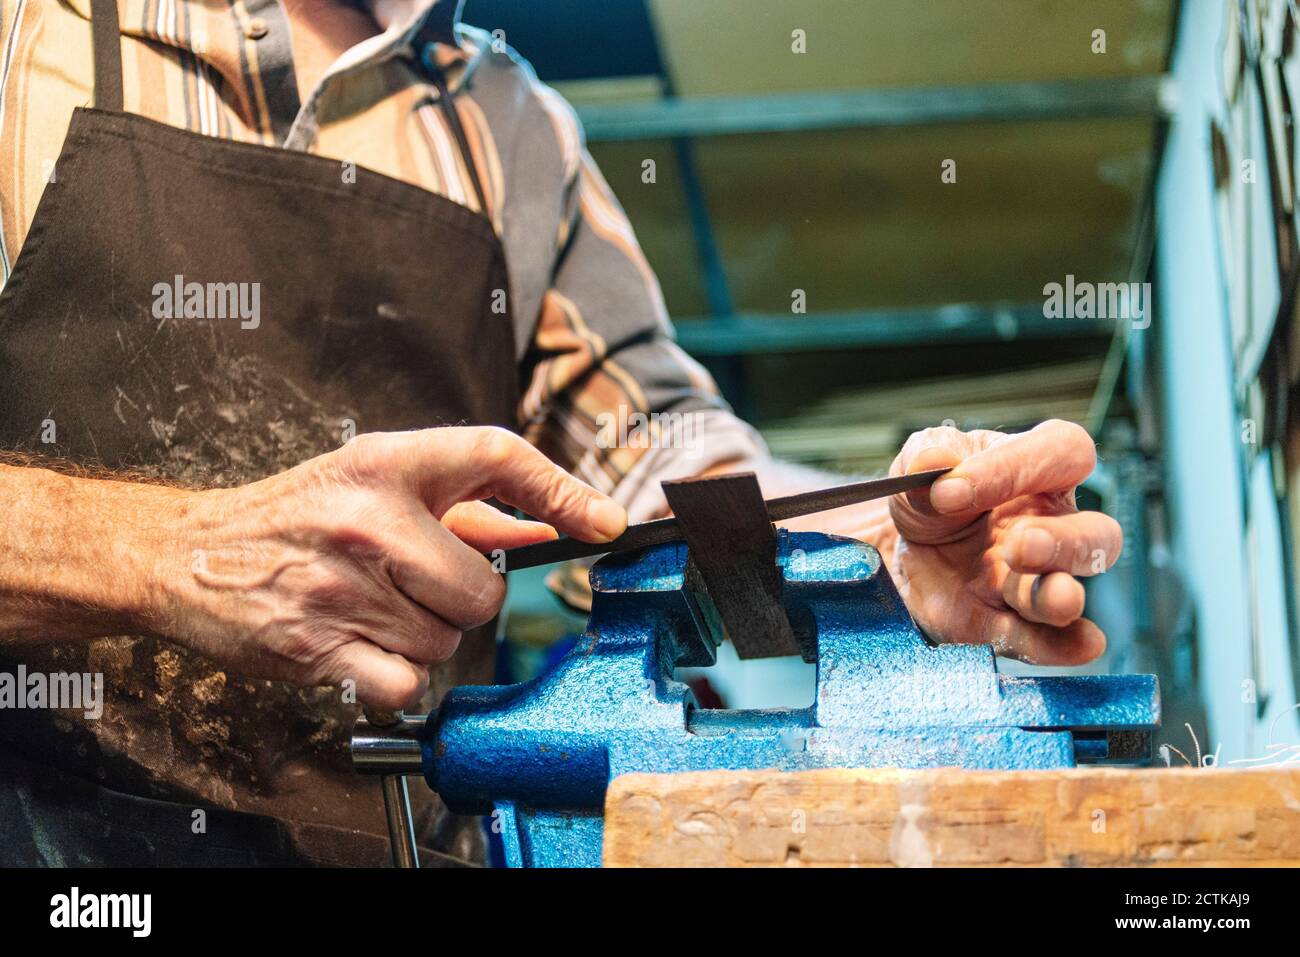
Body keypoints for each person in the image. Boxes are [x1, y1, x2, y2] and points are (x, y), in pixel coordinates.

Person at [0, 0, 1121, 865]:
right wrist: (166, 555)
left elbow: (658, 460)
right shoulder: (26, 36)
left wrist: (864, 562)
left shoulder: (513, 126)